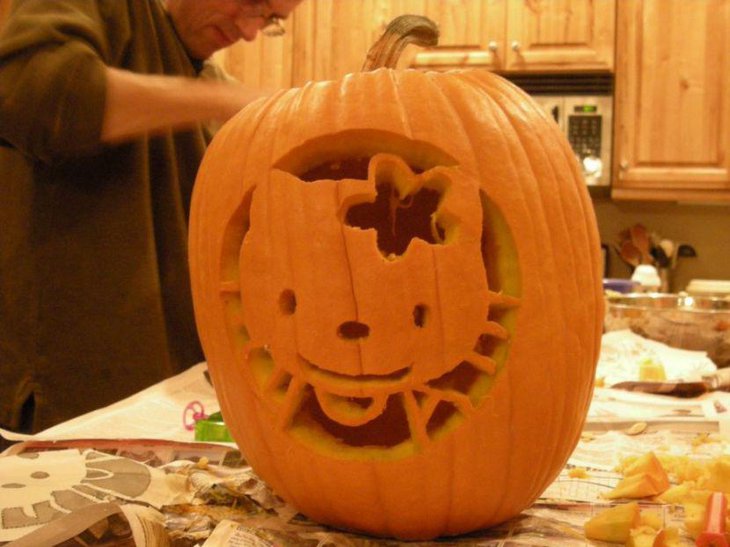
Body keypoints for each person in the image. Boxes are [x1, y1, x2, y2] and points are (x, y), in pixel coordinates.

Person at [0, 0, 303, 436]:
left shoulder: (210, 88)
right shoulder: (116, 12)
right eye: (253, 2)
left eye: (272, 19)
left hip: (163, 409)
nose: (251, 30)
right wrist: (223, 101)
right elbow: (32, 88)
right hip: (63, 401)